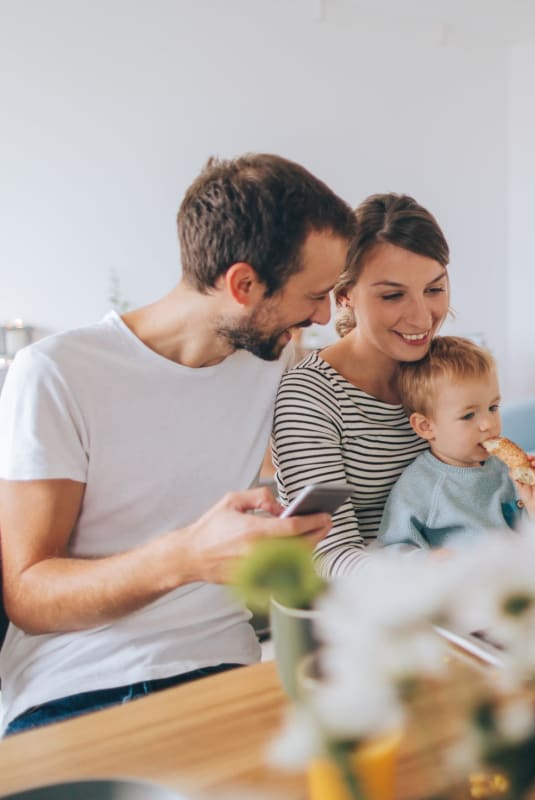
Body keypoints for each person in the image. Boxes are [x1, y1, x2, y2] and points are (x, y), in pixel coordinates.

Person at [0, 153, 356, 734]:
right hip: (76, 688)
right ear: (243, 284)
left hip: (225, 671)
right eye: (313, 295)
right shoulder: (58, 372)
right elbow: (28, 594)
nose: (321, 315)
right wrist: (186, 557)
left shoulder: (275, 360)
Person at [271, 193, 450, 577]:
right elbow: (329, 555)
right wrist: (431, 572)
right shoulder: (310, 397)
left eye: (434, 290)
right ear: (345, 295)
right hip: (365, 611)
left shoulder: (447, 371)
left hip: (458, 596)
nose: (422, 318)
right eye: (393, 295)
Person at [377, 336, 535, 552]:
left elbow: (533, 539)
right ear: (425, 426)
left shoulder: (505, 469)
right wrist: (431, 562)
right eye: (468, 416)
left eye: (493, 408)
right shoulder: (418, 487)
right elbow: (391, 551)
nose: (488, 424)